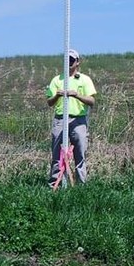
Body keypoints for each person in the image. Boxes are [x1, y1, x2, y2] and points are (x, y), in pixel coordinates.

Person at [45, 49, 96, 186]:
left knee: (80, 154)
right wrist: (57, 95)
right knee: (56, 153)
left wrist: (77, 95)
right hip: (60, 119)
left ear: (77, 62)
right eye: (66, 60)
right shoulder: (57, 80)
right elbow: (49, 102)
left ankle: (81, 185)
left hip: (78, 120)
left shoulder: (85, 80)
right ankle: (55, 184)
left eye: (72, 60)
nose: (69, 63)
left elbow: (92, 101)